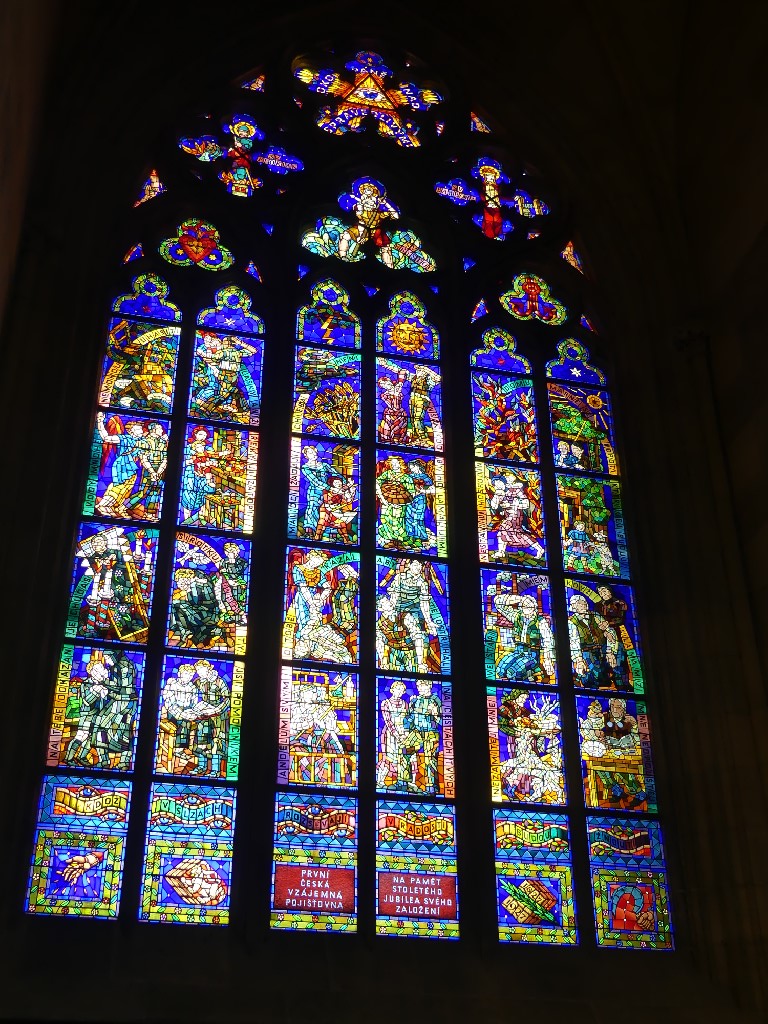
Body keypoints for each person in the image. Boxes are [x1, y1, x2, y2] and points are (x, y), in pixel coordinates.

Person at [377, 559, 439, 674]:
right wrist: (393, 609)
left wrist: (429, 621)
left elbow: (424, 603)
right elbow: (394, 595)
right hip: (398, 609)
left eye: (420, 565)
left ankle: (421, 663)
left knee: (420, 633)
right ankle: (385, 661)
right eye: (415, 565)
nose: (418, 567)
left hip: (415, 611)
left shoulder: (422, 583)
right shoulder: (399, 578)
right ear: (409, 565)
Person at [491, 591, 555, 683]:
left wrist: (547, 659)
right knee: (500, 670)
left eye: (529, 605)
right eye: (524, 605)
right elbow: (498, 602)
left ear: (534, 607)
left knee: (512, 673)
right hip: (517, 652)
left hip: (531, 655)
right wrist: (520, 598)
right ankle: (528, 676)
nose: (526, 607)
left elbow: (548, 640)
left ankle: (530, 676)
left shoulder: (541, 622)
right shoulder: (516, 616)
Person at [338, 179, 399, 268]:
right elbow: (359, 217)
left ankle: (389, 266)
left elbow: (396, 216)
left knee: (386, 248)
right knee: (345, 236)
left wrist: (386, 203)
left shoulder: (379, 213)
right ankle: (343, 257)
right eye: (365, 196)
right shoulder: (359, 209)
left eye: (371, 198)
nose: (368, 199)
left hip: (376, 232)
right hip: (360, 229)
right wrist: (360, 236)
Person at [94, 413, 144, 517]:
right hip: (122, 465)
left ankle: (113, 506)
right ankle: (102, 505)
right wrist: (100, 422)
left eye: (141, 429)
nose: (141, 431)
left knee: (126, 488)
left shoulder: (140, 442)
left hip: (132, 467)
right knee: (118, 486)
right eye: (138, 429)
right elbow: (106, 438)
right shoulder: (124, 438)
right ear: (131, 431)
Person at [568, 593, 619, 688]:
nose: (583, 605)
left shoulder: (595, 615)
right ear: (574, 607)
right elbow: (573, 641)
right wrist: (579, 660)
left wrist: (610, 651)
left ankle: (621, 685)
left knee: (618, 661)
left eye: (584, 602)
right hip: (586, 650)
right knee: (597, 672)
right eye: (579, 603)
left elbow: (609, 631)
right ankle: (585, 679)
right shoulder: (571, 622)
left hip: (603, 647)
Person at [489, 476, 545, 560]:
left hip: (516, 515)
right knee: (517, 534)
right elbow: (494, 506)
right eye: (495, 484)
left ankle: (501, 552)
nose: (497, 485)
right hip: (508, 515)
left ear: (504, 482)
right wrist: (496, 495)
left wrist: (512, 505)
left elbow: (526, 504)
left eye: (499, 483)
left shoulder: (516, 490)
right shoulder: (501, 493)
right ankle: (539, 549)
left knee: (504, 528)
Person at [126, 420, 167, 520]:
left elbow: (166, 458)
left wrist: (159, 472)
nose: (162, 430)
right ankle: (125, 506)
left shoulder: (163, 442)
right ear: (153, 430)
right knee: (143, 492)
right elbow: (143, 458)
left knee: (155, 492)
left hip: (160, 470)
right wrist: (152, 472)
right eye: (159, 429)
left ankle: (149, 513)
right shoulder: (144, 441)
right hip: (149, 469)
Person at [406, 678, 442, 793]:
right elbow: (409, 718)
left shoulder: (436, 700)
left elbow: (445, 722)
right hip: (416, 732)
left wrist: (435, 713)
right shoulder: (415, 700)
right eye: (418, 686)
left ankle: (431, 788)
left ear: (429, 686)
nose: (419, 688)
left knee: (429, 759)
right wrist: (406, 729)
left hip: (431, 732)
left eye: (422, 686)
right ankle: (406, 782)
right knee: (404, 750)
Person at [376, 455, 416, 549]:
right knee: (385, 519)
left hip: (400, 505)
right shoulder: (387, 474)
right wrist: (382, 498)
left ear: (400, 464)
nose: (393, 465)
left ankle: (400, 541)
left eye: (396, 463)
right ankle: (391, 540)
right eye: (392, 463)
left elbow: (411, 493)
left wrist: (402, 503)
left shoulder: (406, 478)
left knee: (397, 521)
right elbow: (377, 483)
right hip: (386, 503)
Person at [376, 679, 410, 788]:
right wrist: (396, 735)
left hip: (403, 734)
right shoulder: (385, 703)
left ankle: (401, 782)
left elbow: (407, 720)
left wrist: (405, 734)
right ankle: (380, 781)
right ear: (392, 690)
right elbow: (388, 721)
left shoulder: (405, 704)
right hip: (389, 735)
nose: (399, 692)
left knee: (402, 757)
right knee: (388, 757)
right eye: (397, 689)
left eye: (402, 690)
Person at [315, 474, 357, 543]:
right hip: (326, 509)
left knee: (342, 524)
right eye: (336, 482)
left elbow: (348, 501)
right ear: (332, 484)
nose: (339, 483)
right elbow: (328, 501)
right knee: (322, 523)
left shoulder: (342, 491)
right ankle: (317, 538)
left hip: (336, 510)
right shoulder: (327, 491)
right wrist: (341, 492)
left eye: (340, 482)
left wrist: (351, 493)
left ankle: (346, 540)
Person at [301, 446, 332, 537]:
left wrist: (344, 483)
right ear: (306, 456)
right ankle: (309, 532)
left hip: (327, 492)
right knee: (312, 509)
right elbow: (315, 481)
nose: (314, 454)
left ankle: (327, 533)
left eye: (314, 452)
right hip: (314, 492)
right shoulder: (305, 467)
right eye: (310, 453)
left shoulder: (324, 465)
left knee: (328, 510)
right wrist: (329, 487)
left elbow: (335, 473)